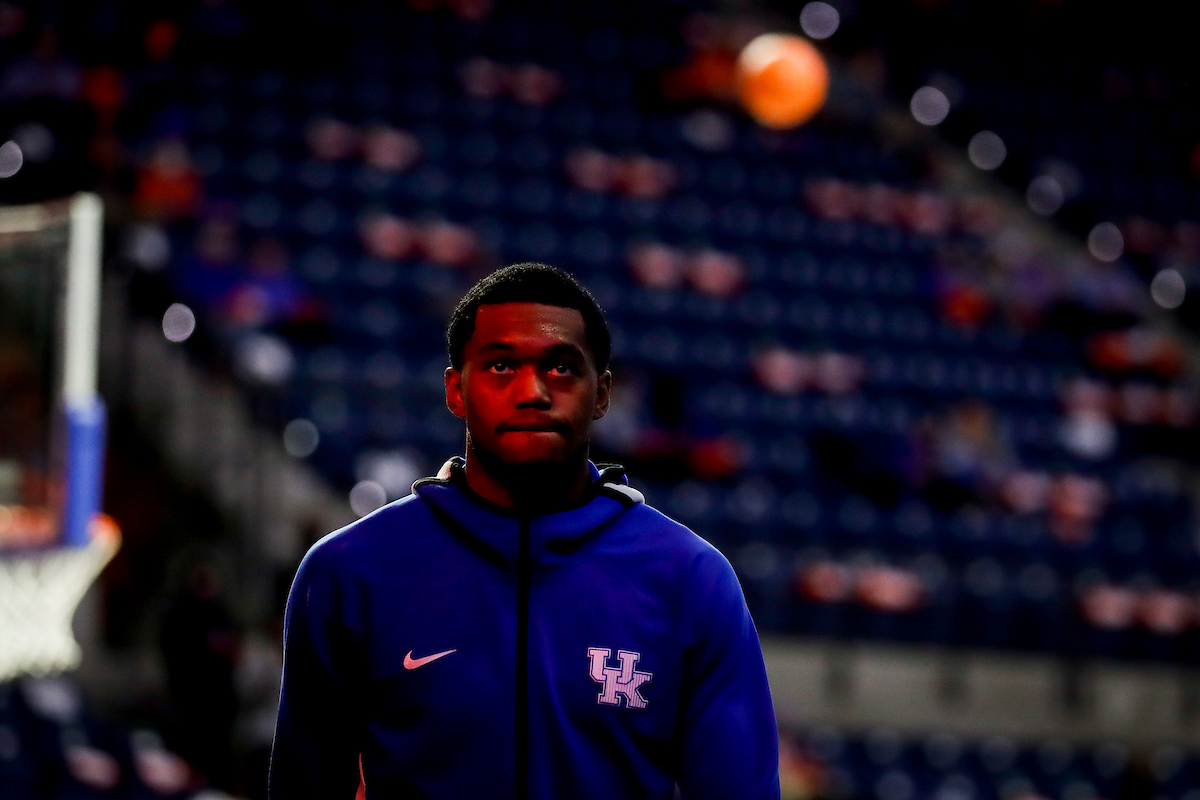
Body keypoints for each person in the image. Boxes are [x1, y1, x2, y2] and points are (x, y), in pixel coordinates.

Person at [269, 263, 780, 799]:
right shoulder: (349, 573)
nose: (532, 391)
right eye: (501, 366)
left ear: (602, 394)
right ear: (456, 391)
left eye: (561, 368)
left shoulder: (691, 579)